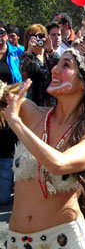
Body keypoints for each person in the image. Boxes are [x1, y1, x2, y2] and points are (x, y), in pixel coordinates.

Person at [2, 20, 85, 248]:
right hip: (16, 241)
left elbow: (60, 163)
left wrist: (16, 123)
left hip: (64, 241)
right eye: (57, 63)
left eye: (66, 65)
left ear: (84, 83)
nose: (55, 69)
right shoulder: (32, 112)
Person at [0, 21, 23, 205]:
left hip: (9, 109)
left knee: (7, 152)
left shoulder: (17, 53)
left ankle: (4, 193)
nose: (0, 36)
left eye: (2, 32)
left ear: (7, 35)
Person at [20, 23, 59, 107]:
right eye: (33, 36)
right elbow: (24, 72)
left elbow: (60, 66)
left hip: (52, 104)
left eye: (41, 36)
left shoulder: (50, 56)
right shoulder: (27, 57)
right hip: (35, 104)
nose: (38, 39)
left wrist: (51, 50)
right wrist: (29, 51)